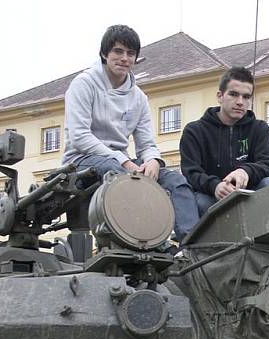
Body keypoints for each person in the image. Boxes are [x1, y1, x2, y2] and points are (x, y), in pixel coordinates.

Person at [63, 24, 199, 243]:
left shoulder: (139, 98)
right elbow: (79, 137)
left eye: (130, 53)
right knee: (119, 175)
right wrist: (124, 161)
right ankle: (136, 242)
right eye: (118, 51)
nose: (124, 58)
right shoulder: (83, 85)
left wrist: (153, 160)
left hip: (122, 162)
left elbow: (146, 143)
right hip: (80, 160)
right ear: (104, 53)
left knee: (175, 181)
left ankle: (192, 246)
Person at [180, 66, 269, 216]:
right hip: (211, 197)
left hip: (250, 195)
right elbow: (191, 172)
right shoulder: (194, 131)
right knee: (198, 201)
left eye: (246, 97)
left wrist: (245, 171)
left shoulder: (259, 128)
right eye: (233, 94)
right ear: (220, 96)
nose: (240, 102)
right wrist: (215, 186)